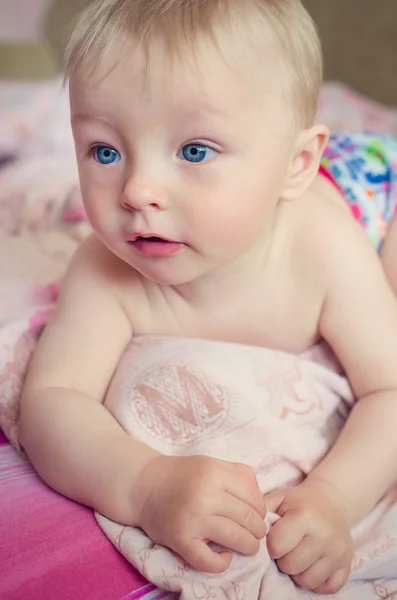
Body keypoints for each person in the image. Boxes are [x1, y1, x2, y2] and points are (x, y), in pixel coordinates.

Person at [19, 0, 397, 594]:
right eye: (105, 151)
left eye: (195, 151)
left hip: (376, 193)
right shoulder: (106, 267)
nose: (138, 191)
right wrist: (145, 484)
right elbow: (51, 403)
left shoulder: (323, 251)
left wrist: (333, 497)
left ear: (295, 164)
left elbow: (390, 390)